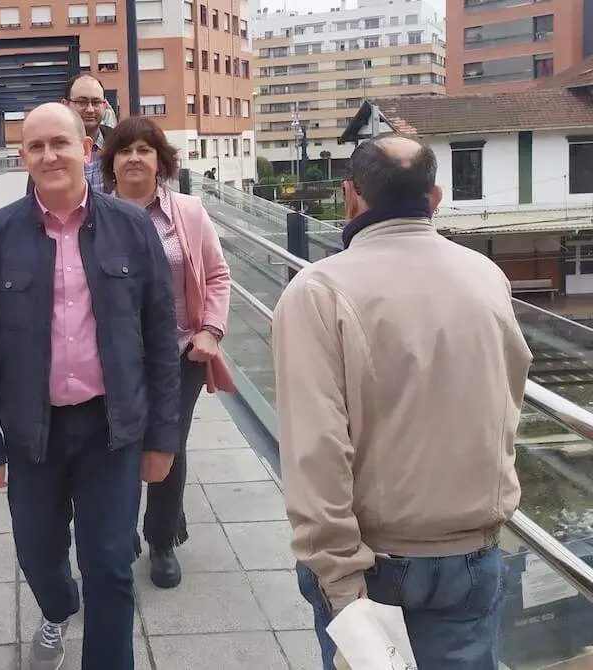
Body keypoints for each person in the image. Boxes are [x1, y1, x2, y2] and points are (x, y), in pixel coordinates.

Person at [272, 133, 531, 669]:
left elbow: (316, 449)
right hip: (474, 549)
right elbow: (508, 401)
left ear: (350, 196)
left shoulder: (318, 291)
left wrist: (338, 578)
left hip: (374, 559)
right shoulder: (486, 276)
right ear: (434, 199)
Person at [0, 103, 180, 670]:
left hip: (112, 428)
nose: (49, 155)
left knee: (109, 564)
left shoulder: (131, 228)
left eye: (60, 143)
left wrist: (163, 437)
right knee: (37, 554)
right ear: (22, 158)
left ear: (87, 149)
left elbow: (161, 337)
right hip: (33, 430)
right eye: (35, 147)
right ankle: (59, 607)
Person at [101, 117, 236, 590]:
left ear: (161, 161)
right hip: (111, 359)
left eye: (145, 149)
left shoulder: (190, 212)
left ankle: (161, 539)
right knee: (115, 445)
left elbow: (217, 276)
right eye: (124, 150)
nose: (134, 157)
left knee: (167, 443)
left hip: (178, 354)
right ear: (110, 162)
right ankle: (119, 531)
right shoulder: (94, 216)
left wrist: (211, 331)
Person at [26, 74, 116, 196]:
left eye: (96, 102)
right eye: (81, 102)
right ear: (65, 104)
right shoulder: (46, 149)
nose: (90, 109)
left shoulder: (119, 144)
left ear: (105, 105)